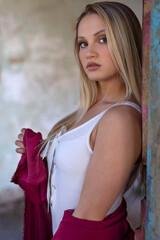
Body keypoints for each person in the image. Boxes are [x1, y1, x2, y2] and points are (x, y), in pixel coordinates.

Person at [14, 1, 144, 239]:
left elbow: (86, 221)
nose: (89, 53)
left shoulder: (120, 118)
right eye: (82, 43)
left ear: (125, 42)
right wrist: (38, 156)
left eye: (102, 39)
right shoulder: (87, 112)